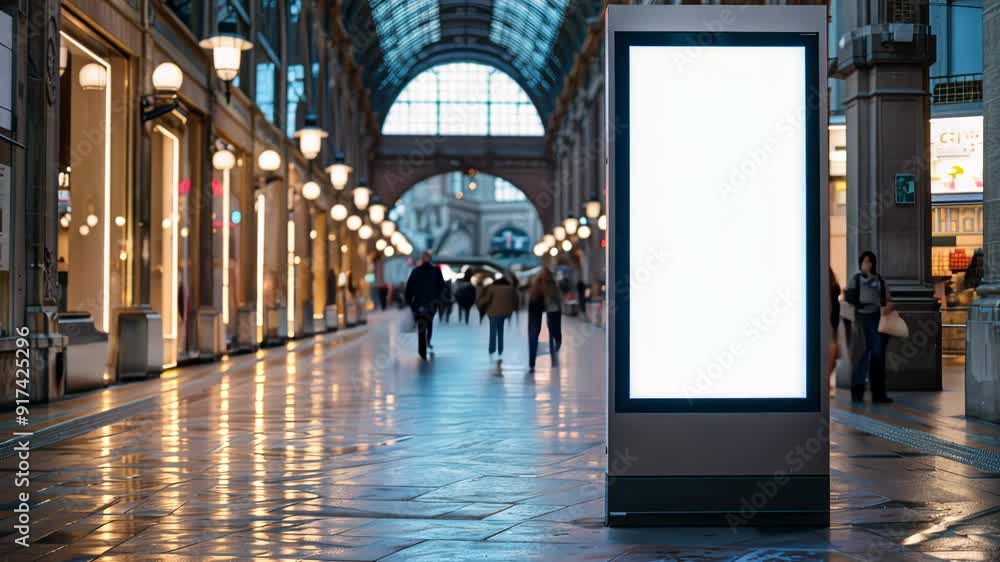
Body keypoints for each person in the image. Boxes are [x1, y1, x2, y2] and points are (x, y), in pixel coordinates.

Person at [845, 251, 893, 403]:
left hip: (877, 319)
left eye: (870, 261)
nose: (867, 264)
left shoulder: (879, 280)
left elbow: (887, 298)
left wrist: (884, 306)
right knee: (861, 355)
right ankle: (857, 391)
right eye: (865, 261)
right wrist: (862, 304)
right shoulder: (856, 279)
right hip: (861, 319)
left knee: (878, 356)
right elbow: (849, 297)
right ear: (860, 263)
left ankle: (878, 393)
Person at [405, 251, 447, 360]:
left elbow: (409, 288)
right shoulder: (436, 271)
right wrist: (441, 302)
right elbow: (442, 287)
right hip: (432, 304)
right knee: (429, 322)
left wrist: (409, 302)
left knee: (421, 326)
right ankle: (427, 341)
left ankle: (422, 350)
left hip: (419, 304)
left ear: (422, 259)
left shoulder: (416, 271)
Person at [527, 267, 563, 370]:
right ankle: (553, 356)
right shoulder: (551, 286)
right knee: (553, 334)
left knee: (535, 335)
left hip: (539, 309)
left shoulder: (539, 286)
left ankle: (532, 363)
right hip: (544, 308)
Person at [477, 274, 519, 362]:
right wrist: (514, 309)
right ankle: (500, 349)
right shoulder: (511, 289)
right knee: (500, 331)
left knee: (492, 331)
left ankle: (492, 349)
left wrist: (480, 303)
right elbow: (515, 300)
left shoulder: (492, 288)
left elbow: (487, 299)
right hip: (504, 312)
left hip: (493, 312)